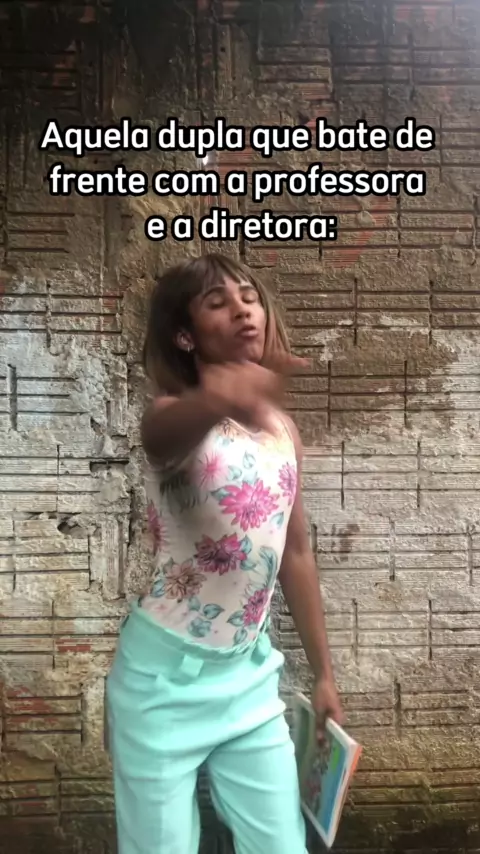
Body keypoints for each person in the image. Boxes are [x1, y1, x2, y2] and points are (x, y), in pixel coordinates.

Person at [106, 253, 343, 854]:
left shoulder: (282, 430)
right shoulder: (174, 418)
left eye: (249, 297)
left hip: (249, 677)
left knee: (282, 847)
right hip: (162, 684)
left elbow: (295, 552)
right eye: (217, 302)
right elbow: (159, 438)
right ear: (185, 336)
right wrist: (220, 399)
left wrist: (323, 673)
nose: (242, 310)